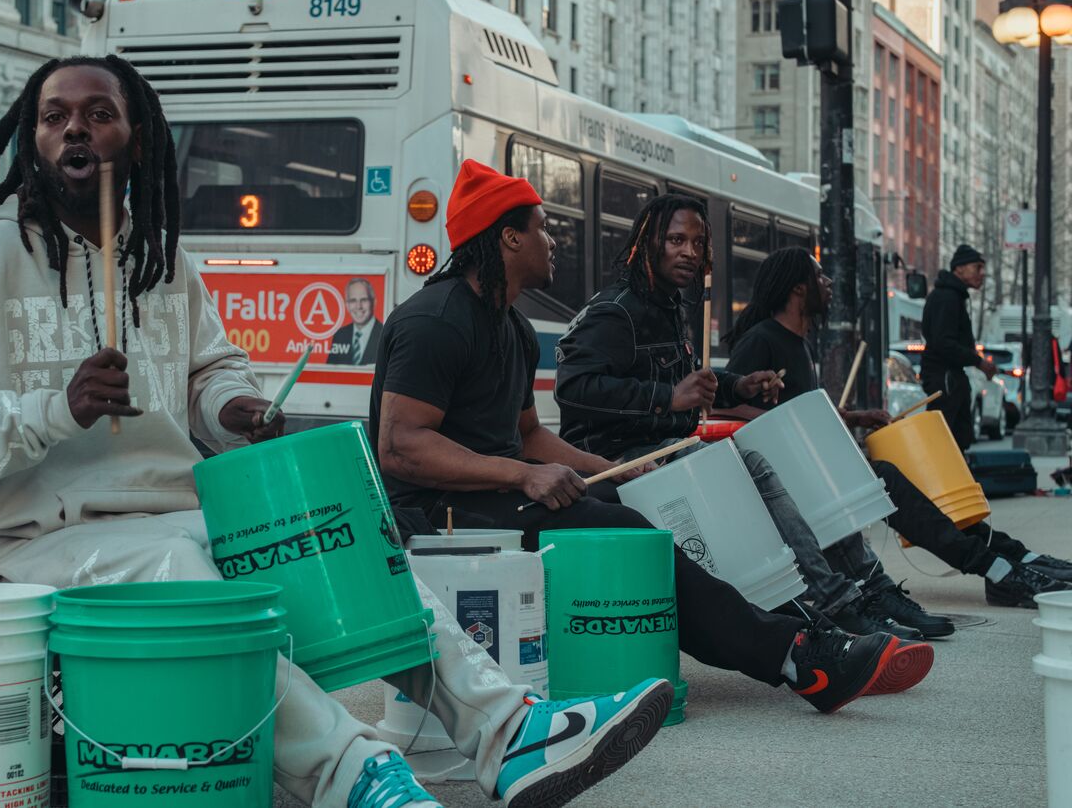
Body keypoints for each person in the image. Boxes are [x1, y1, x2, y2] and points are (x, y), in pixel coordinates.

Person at [0, 56, 674, 808]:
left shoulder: (163, 264)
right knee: (177, 564)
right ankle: (352, 774)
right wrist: (55, 410)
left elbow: (211, 375)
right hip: (16, 544)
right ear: (34, 141)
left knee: (340, 534)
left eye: (98, 113)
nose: (73, 128)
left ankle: (508, 733)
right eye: (53, 117)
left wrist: (236, 412)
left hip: (163, 518)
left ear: (135, 137)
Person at [371, 159, 933, 714]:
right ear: (509, 238)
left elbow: (529, 435)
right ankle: (798, 657)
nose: (551, 240)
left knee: (638, 502)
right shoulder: (437, 320)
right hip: (436, 510)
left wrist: (600, 468)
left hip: (495, 494)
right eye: (542, 227)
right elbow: (401, 447)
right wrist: (523, 474)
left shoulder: (512, 326)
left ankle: (806, 627)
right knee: (630, 532)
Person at [554, 194, 938, 640]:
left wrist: (739, 385)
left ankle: (853, 591)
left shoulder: (669, 306)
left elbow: (687, 380)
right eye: (677, 239)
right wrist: (667, 397)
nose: (690, 252)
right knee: (749, 466)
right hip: (619, 457)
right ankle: (833, 603)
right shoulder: (616, 309)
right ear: (649, 242)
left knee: (777, 459)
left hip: (664, 448)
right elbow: (574, 388)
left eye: (698, 243)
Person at [724, 247, 1072, 609]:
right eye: (819, 276)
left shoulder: (798, 342)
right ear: (798, 288)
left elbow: (800, 409)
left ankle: (1014, 559)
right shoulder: (761, 339)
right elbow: (725, 405)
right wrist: (780, 423)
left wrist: (856, 416)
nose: (828, 283)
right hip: (789, 482)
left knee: (920, 487)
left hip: (814, 470)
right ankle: (999, 569)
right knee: (886, 480)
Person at [921, 244, 998, 450]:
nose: (982, 274)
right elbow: (943, 343)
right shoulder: (947, 298)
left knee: (957, 439)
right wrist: (978, 362)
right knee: (944, 441)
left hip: (952, 378)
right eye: (977, 267)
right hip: (945, 379)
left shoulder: (953, 296)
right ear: (959, 268)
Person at [328, 277, 384, 365]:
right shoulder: (340, 335)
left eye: (364, 300)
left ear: (374, 302)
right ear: (347, 305)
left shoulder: (384, 333)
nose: (358, 306)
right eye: (353, 300)